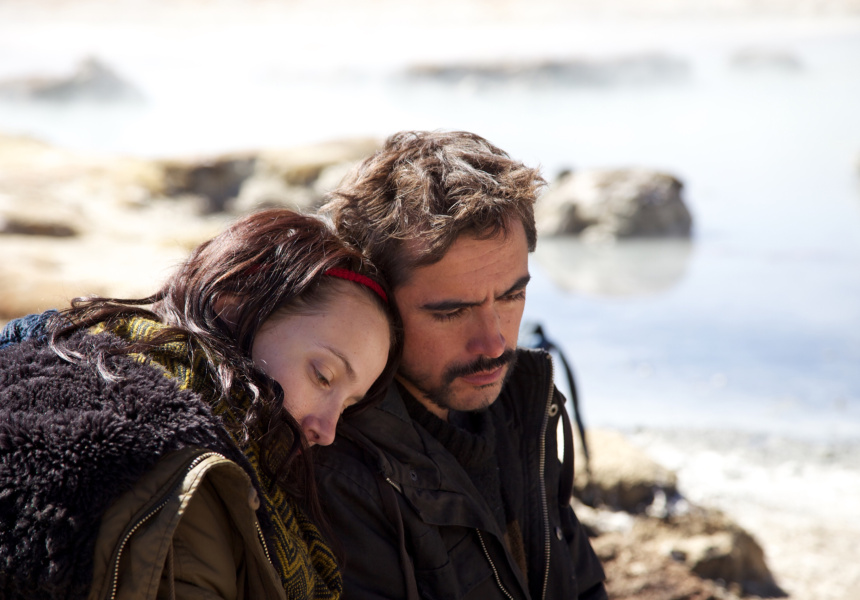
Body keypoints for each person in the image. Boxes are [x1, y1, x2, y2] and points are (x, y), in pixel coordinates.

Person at [0, 209, 397, 600]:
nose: (327, 432)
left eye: (347, 406)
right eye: (323, 376)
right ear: (233, 302)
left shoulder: (69, 356)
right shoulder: (187, 477)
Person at [314, 131, 607, 600]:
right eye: (451, 311)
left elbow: (583, 585)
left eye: (511, 296)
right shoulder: (342, 476)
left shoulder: (522, 406)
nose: (494, 343)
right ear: (376, 304)